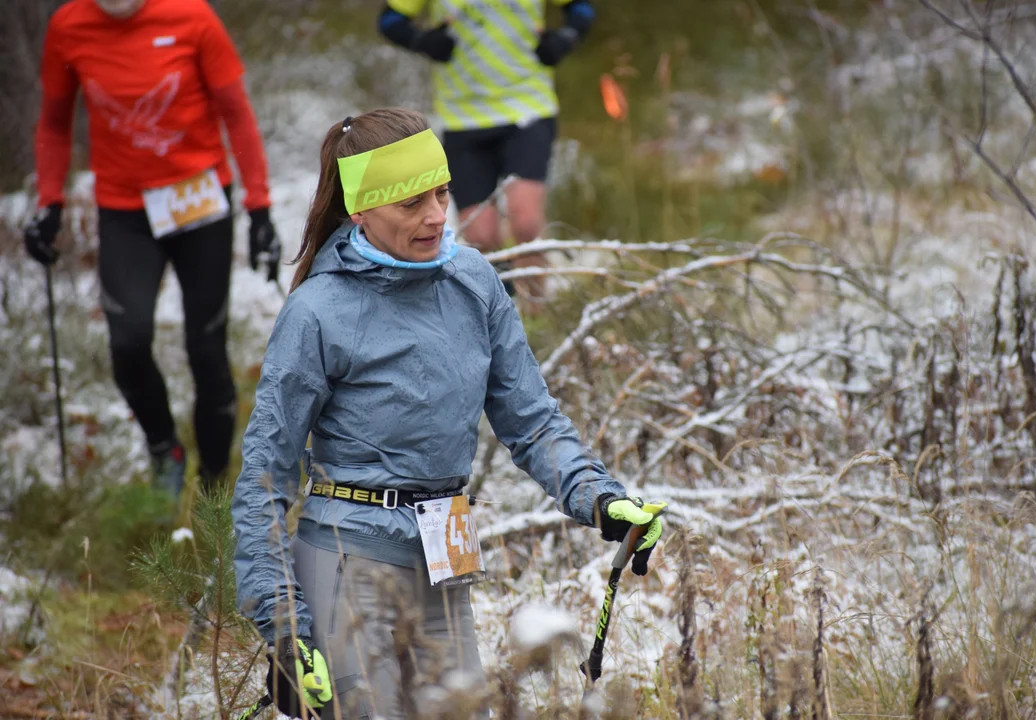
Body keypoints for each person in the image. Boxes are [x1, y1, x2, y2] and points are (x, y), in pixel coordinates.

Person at [231, 108, 665, 719]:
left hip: (444, 553)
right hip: (348, 557)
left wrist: (599, 496)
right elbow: (265, 476)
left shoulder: (474, 282)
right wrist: (284, 625)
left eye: (440, 192)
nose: (436, 215)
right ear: (361, 210)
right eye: (410, 203)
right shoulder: (316, 312)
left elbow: (531, 419)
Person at [24, 0, 280, 494]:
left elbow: (236, 112)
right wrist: (49, 201)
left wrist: (259, 206)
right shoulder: (69, 26)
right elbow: (55, 121)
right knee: (128, 341)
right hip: (126, 207)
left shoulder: (192, 18)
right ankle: (165, 449)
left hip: (198, 200)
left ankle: (212, 486)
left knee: (206, 346)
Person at [375, 0, 595, 302]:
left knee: (526, 223)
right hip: (461, 116)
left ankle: (536, 315)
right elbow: (389, 20)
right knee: (480, 235)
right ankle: (499, 312)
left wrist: (566, 37)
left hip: (527, 107)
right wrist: (422, 41)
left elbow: (581, 8)